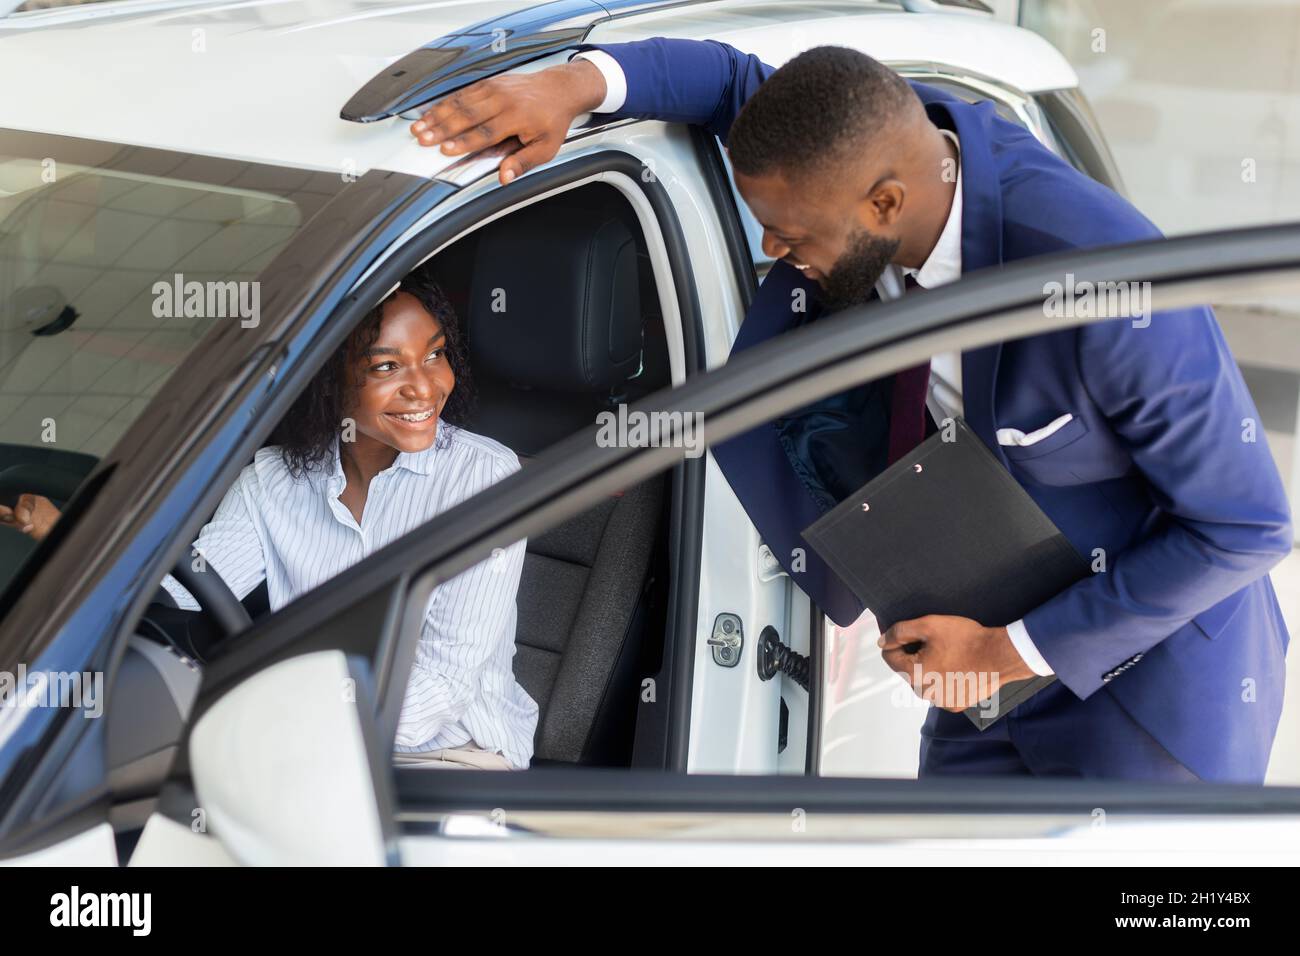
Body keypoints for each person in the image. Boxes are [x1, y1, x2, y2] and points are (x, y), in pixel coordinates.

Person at [400, 38, 1292, 783]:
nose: (771, 248)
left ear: (886, 204)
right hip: (971, 674)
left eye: (789, 235)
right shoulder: (847, 152)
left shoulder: (1101, 284)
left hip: (1145, 697)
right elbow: (732, 83)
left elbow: (1246, 525)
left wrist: (1009, 650)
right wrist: (580, 83)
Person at [3, 271, 538, 770]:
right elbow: (179, 597)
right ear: (327, 376)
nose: (424, 387)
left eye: (435, 355)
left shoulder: (483, 477)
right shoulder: (272, 479)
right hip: (307, 746)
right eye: (386, 367)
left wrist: (267, 718)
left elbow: (438, 691)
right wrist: (64, 539)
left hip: (449, 757)